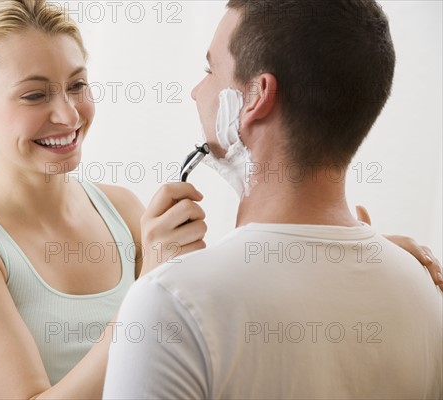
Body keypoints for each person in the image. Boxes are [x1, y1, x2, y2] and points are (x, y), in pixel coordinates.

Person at [0, 1, 440, 399]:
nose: (69, 115)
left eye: (77, 85)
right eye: (34, 95)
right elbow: (169, 301)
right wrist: (149, 287)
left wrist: (344, 254)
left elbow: (211, 296)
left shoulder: (120, 209)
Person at [103, 1, 443, 399]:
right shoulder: (423, 290)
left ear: (255, 97)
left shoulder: (171, 303)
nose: (197, 92)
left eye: (210, 70)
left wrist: (162, 283)